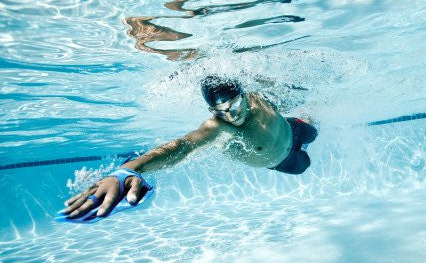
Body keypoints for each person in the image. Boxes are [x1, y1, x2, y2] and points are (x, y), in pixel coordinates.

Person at [62, 76, 318, 219]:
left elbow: (282, 91)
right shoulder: (218, 126)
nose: (231, 115)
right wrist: (130, 168)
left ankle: (307, 123)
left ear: (244, 95)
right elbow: (184, 145)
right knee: (303, 166)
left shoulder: (256, 95)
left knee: (313, 131)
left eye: (235, 106)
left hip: (292, 129)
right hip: (280, 162)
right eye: (220, 111)